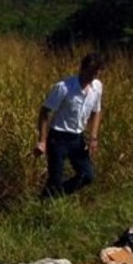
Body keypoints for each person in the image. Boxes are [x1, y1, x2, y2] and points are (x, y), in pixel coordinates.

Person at [34, 53, 106, 198]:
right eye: (90, 72)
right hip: (58, 138)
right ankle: (47, 204)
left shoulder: (97, 87)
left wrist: (93, 137)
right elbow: (44, 112)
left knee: (87, 175)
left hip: (77, 139)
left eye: (96, 73)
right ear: (82, 68)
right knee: (55, 179)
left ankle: (50, 197)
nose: (92, 77)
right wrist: (42, 141)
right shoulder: (63, 88)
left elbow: (96, 112)